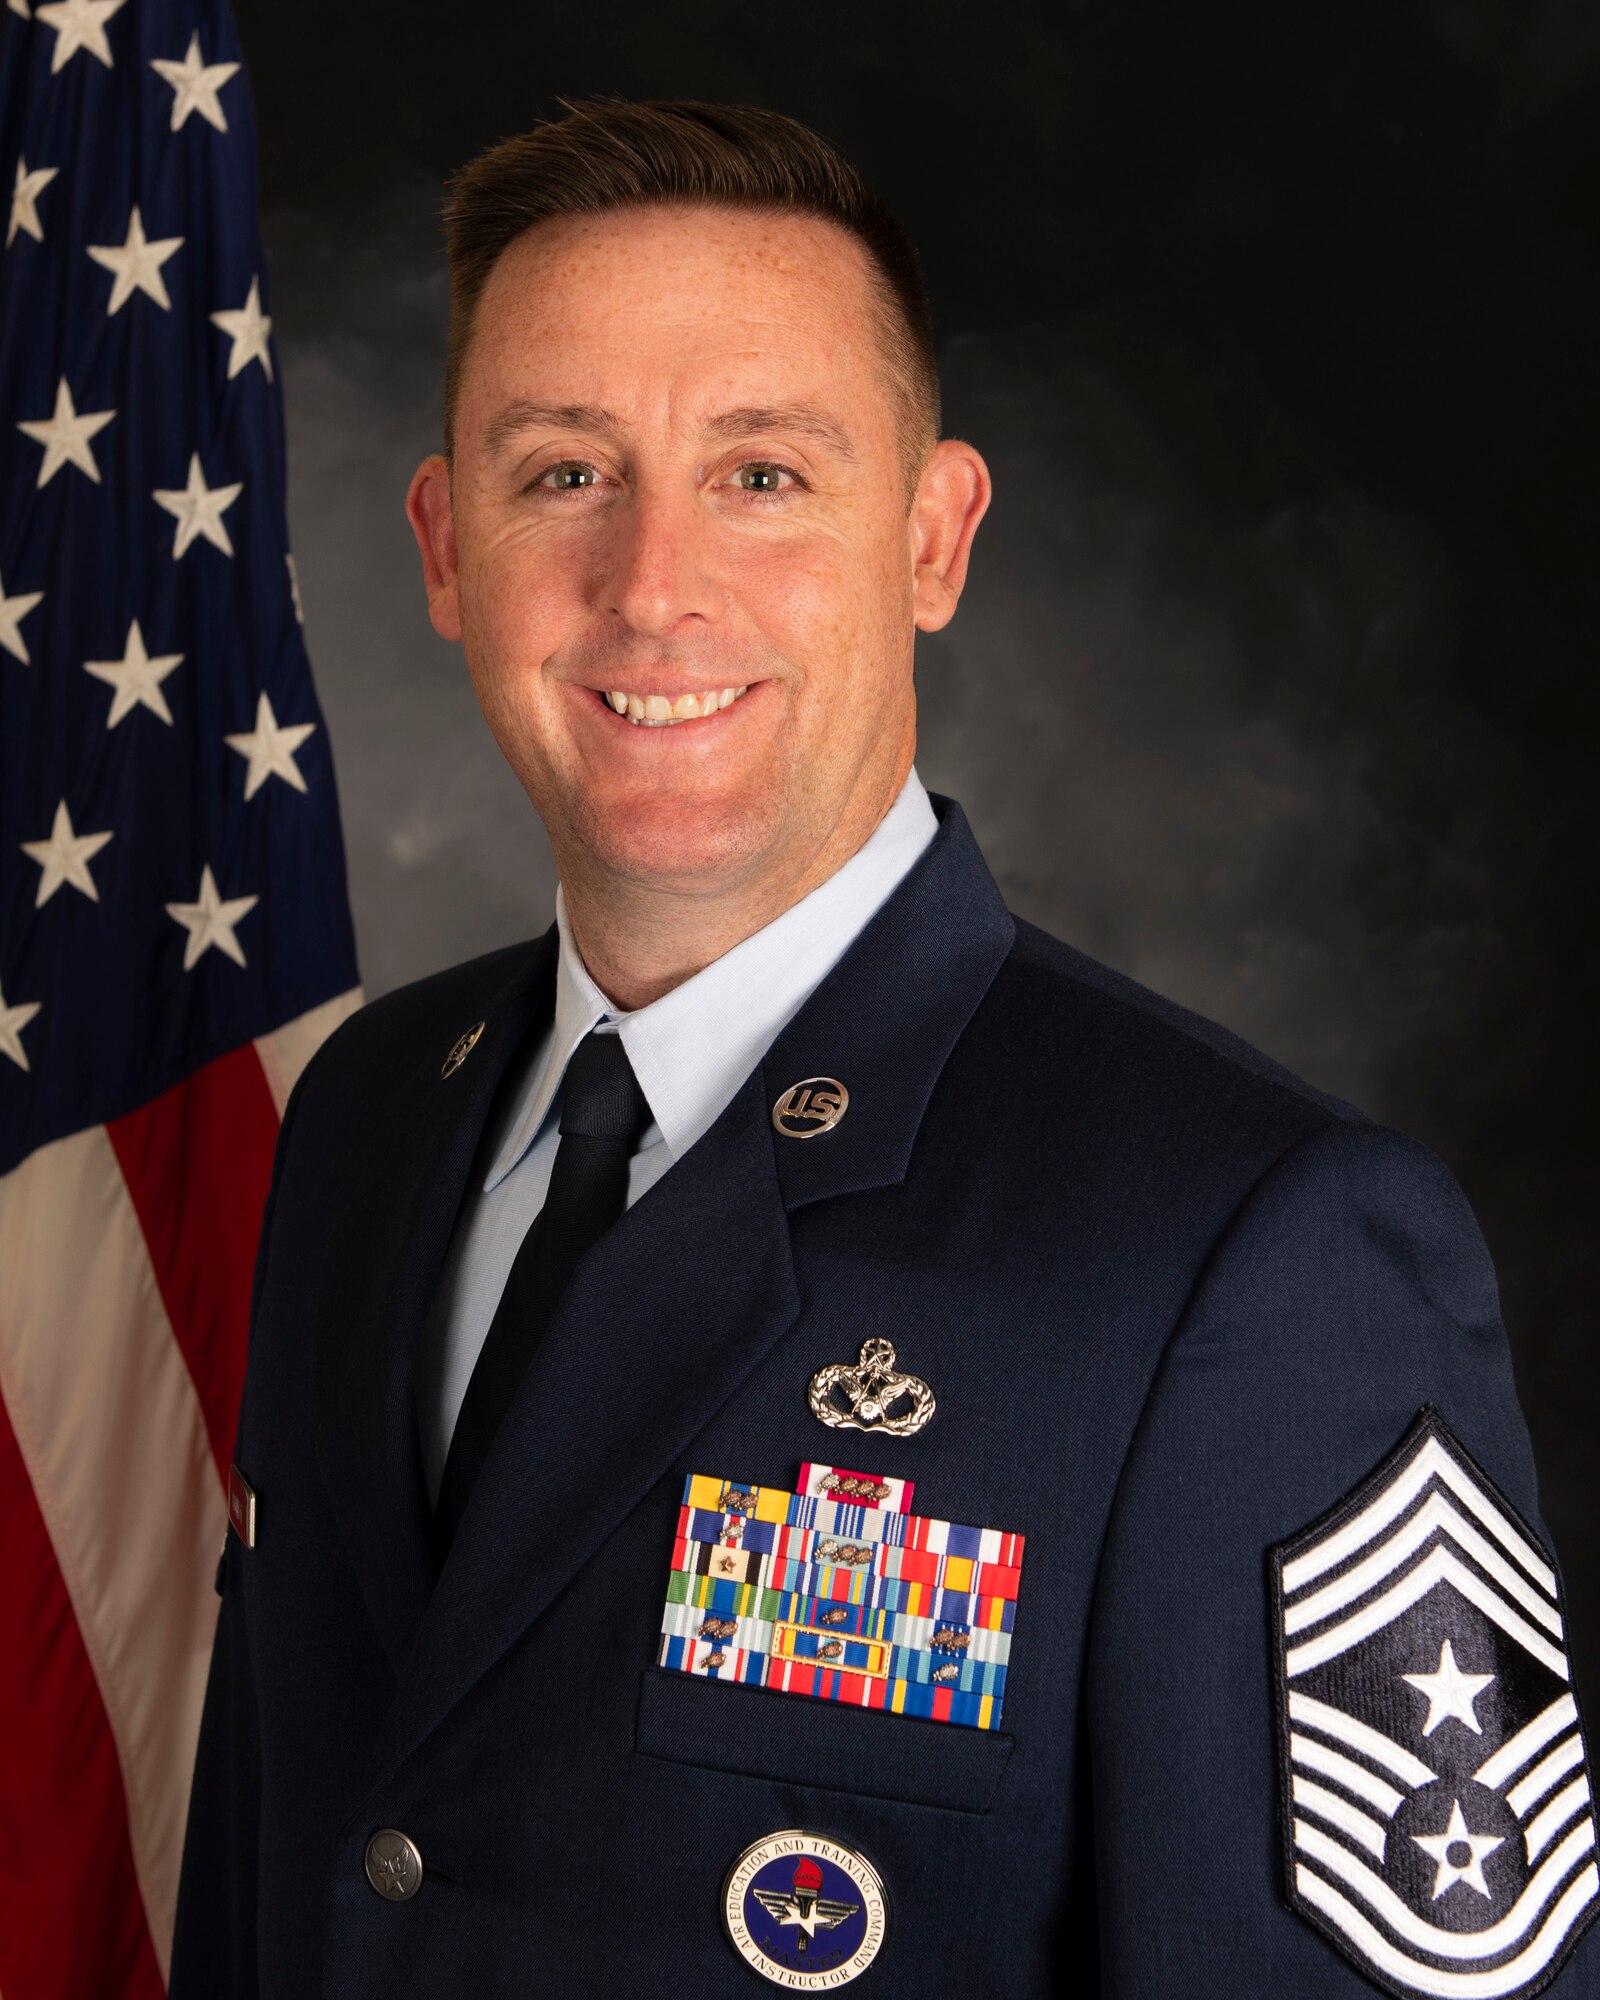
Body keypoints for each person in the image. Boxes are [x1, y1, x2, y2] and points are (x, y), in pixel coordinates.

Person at [169, 99, 1598, 1998]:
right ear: (445, 549)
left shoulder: (1257, 1248)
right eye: (562, 473)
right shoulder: (363, 1115)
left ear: (932, 537)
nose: (653, 583)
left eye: (762, 475)